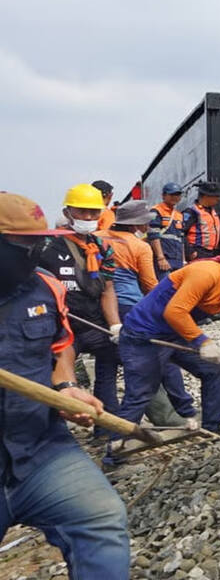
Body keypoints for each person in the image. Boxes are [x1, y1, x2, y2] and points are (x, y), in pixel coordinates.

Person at [0, 193, 131, 579]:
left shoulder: (45, 287)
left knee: (101, 518)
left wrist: (65, 387)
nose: (32, 252)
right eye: (21, 244)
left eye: (38, 243)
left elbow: (61, 349)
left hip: (40, 447)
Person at [110, 244, 220, 443]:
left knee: (214, 369)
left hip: (175, 333)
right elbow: (175, 311)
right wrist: (202, 341)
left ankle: (211, 430)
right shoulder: (207, 273)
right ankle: (116, 447)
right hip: (144, 334)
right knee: (141, 392)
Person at [98, 200, 199, 427]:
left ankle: (104, 426)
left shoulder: (96, 237)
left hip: (101, 309)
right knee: (165, 358)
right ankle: (183, 412)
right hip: (130, 307)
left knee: (106, 367)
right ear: (137, 224)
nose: (148, 226)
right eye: (146, 223)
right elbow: (150, 285)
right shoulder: (139, 246)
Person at [37, 184, 126, 420]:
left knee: (113, 366)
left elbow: (107, 289)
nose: (88, 217)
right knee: (58, 380)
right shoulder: (46, 245)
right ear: (67, 212)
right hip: (61, 327)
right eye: (81, 211)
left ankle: (107, 426)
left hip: (93, 323)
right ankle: (56, 427)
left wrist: (115, 325)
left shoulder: (103, 247)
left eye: (93, 212)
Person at [149, 181, 186, 278]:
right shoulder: (156, 211)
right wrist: (160, 258)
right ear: (163, 196)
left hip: (177, 260)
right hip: (164, 259)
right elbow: (153, 236)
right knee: (165, 285)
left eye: (177, 195)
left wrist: (183, 261)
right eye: (172, 194)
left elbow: (181, 239)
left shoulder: (179, 215)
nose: (175, 197)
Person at [181, 181, 220, 261]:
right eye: (216, 196)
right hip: (198, 252)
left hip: (211, 252)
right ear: (206, 196)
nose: (218, 199)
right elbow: (181, 233)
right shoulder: (192, 212)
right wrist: (189, 251)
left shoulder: (212, 212)